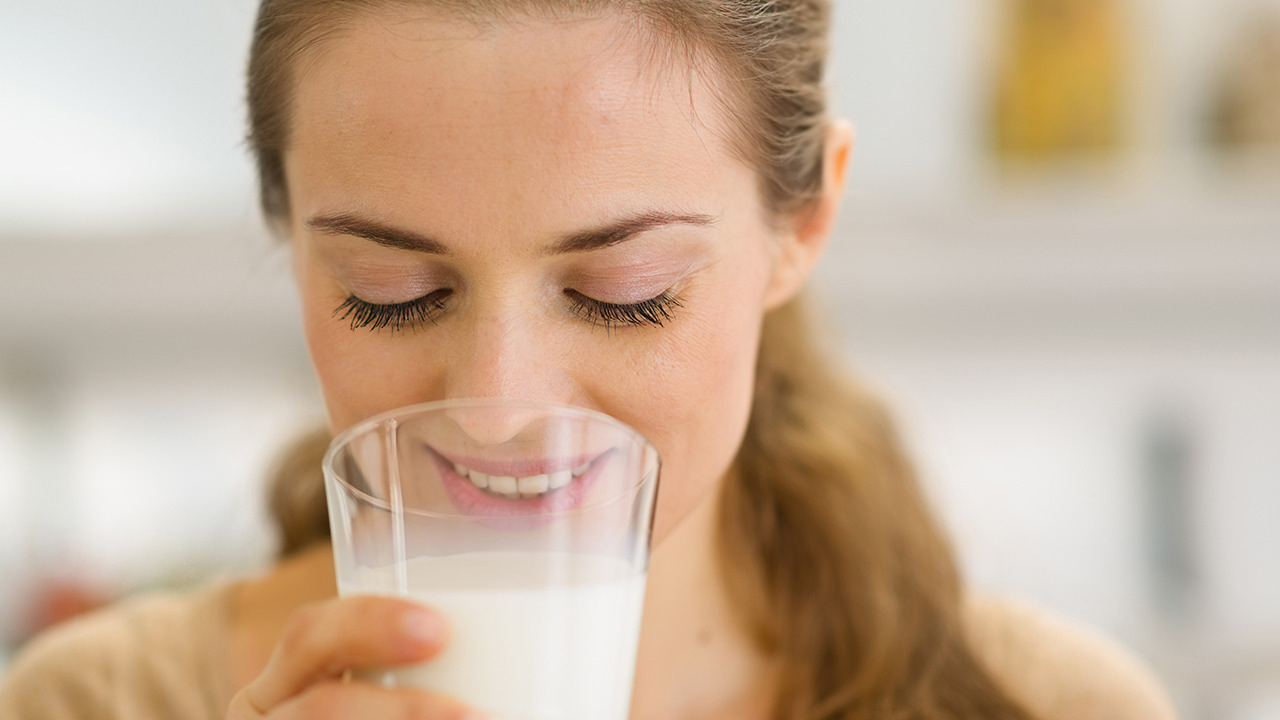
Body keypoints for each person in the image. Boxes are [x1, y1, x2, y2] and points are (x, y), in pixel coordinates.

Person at [0, 1, 1179, 719]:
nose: (498, 408)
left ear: (803, 220)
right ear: (287, 231)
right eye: (392, 295)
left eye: (622, 296)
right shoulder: (92, 707)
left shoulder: (1051, 710)